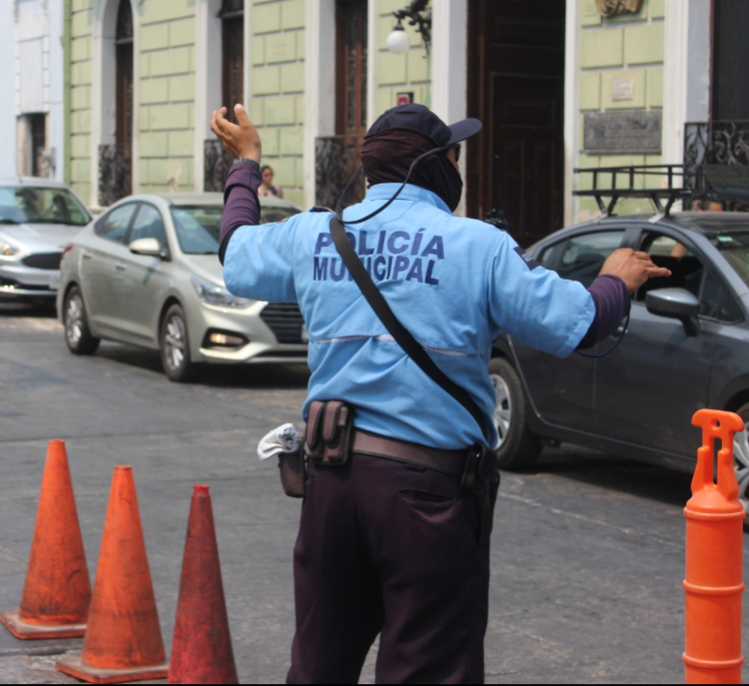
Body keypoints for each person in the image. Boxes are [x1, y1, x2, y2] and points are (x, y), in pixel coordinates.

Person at [211, 102, 668, 684]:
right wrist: (616, 280)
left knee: (319, 666)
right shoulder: (477, 245)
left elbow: (235, 251)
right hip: (425, 498)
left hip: (331, 489)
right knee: (427, 666)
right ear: (434, 165)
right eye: (454, 153)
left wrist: (247, 164)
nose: (459, 164)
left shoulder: (315, 234)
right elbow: (581, 324)